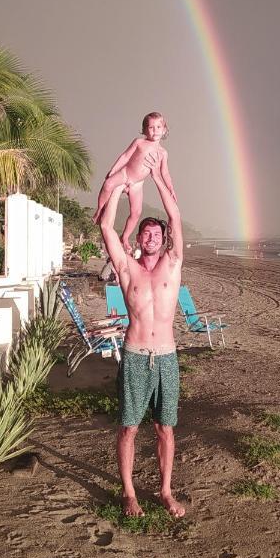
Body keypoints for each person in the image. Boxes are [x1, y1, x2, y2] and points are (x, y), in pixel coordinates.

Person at [100, 152, 186, 519]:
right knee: (129, 428)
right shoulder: (127, 269)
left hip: (166, 356)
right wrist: (121, 183)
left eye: (157, 233)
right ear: (137, 238)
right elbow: (106, 227)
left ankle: (166, 491)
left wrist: (158, 178)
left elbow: (176, 215)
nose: (150, 237)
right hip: (135, 354)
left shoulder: (173, 262)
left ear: (164, 239)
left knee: (165, 428)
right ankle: (130, 493)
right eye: (145, 233)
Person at [93, 112, 177, 253]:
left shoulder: (163, 153)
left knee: (136, 212)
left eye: (158, 127)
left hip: (138, 183)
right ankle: (99, 210)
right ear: (144, 130)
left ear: (164, 130)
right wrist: (113, 171)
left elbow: (165, 173)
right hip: (125, 174)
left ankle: (124, 237)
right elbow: (125, 156)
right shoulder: (139, 142)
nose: (155, 130)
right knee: (107, 185)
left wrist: (171, 188)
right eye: (151, 127)